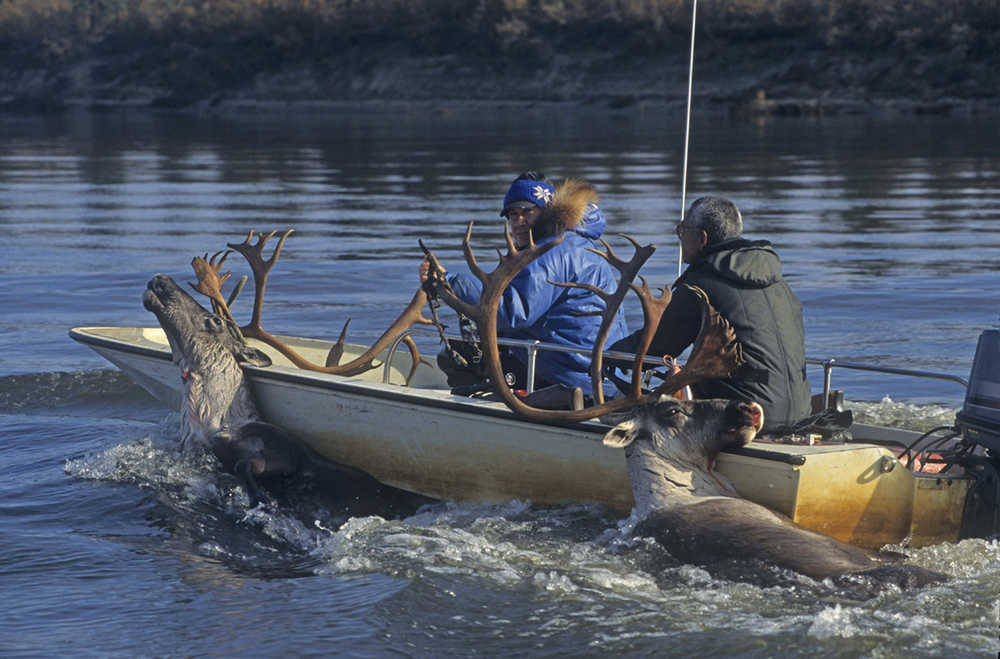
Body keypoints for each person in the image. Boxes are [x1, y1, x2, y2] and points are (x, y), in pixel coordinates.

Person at [610, 195, 811, 432]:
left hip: (745, 416)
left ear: (701, 238)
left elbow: (658, 345)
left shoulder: (701, 284)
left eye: (682, 230)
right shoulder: (779, 283)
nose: (680, 237)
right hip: (801, 412)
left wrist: (611, 356)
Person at [422, 171, 629, 398]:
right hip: (596, 373)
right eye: (513, 214)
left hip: (571, 376)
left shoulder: (553, 251)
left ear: (546, 213)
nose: (519, 222)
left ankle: (479, 419)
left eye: (528, 212)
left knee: (458, 354)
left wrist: (448, 282)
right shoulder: (575, 244)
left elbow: (509, 312)